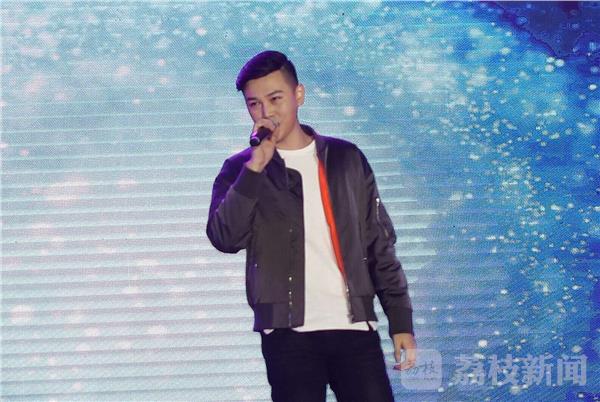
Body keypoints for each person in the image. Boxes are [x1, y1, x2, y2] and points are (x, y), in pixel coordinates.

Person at [206, 50, 416, 402]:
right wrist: (255, 170)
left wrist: (400, 320)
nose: (266, 112)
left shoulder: (346, 158)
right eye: (254, 104)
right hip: (287, 335)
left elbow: (378, 243)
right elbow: (225, 237)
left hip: (353, 327)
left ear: (298, 94)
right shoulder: (240, 169)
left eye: (275, 99)